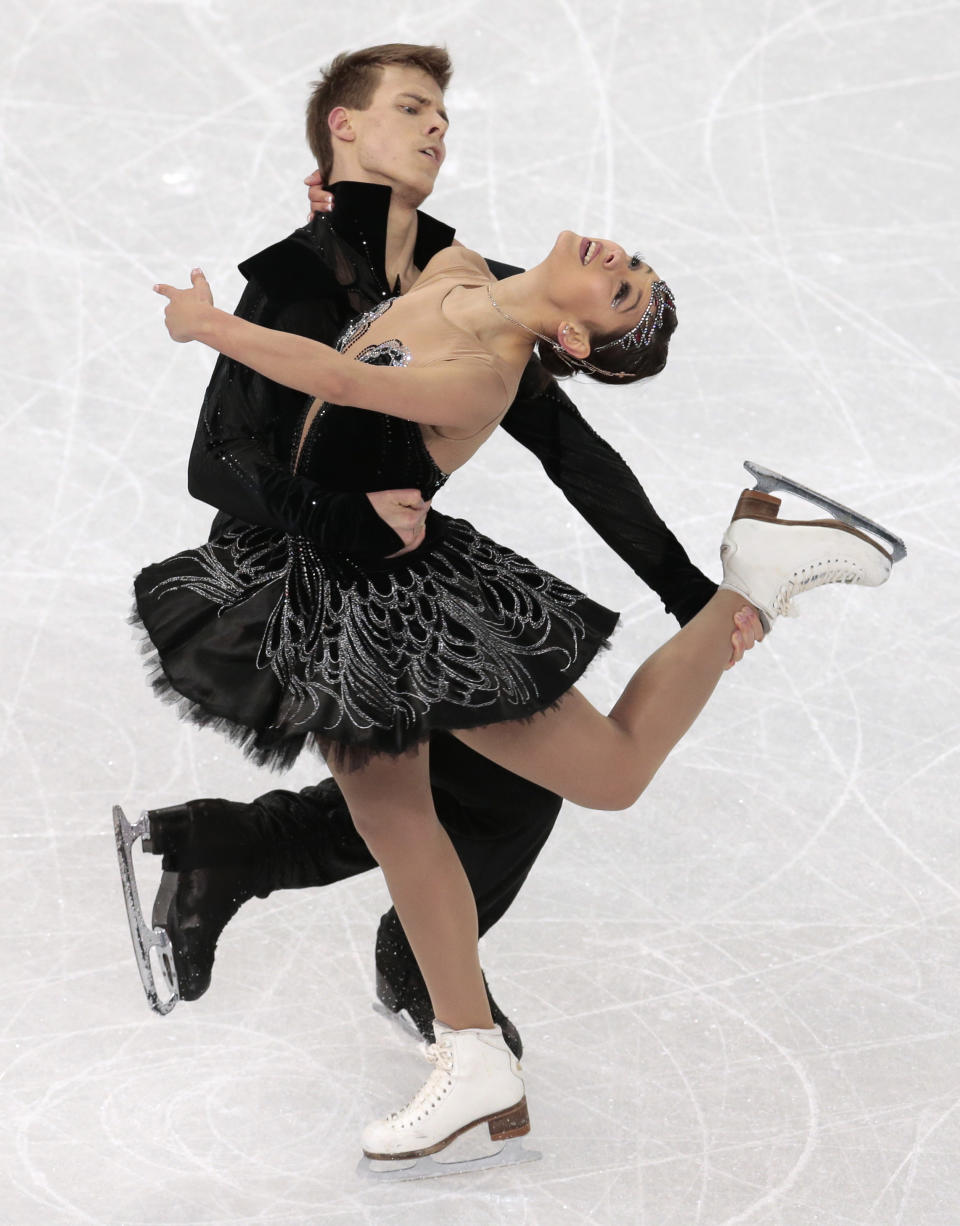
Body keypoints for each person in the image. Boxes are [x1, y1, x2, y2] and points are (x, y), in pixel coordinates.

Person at [145, 220, 897, 1166]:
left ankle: (755, 575)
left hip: (385, 602)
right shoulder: (458, 271)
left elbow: (338, 380)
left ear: (572, 343)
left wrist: (208, 325)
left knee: (580, 781)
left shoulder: (484, 376)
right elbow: (377, 247)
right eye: (635, 263)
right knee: (401, 819)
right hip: (334, 570)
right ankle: (471, 1054)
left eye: (623, 290)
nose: (623, 260)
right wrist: (338, 211)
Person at [123, 43, 725, 1056]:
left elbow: (572, 449)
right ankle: (411, 969)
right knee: (450, 791)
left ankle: (254, 861)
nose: (438, 125)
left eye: (442, 111)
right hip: (299, 574)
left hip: (403, 570)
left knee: (489, 784)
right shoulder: (298, 278)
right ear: (345, 130)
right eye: (412, 108)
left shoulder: (459, 270)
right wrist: (339, 520)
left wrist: (687, 590)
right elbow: (218, 459)